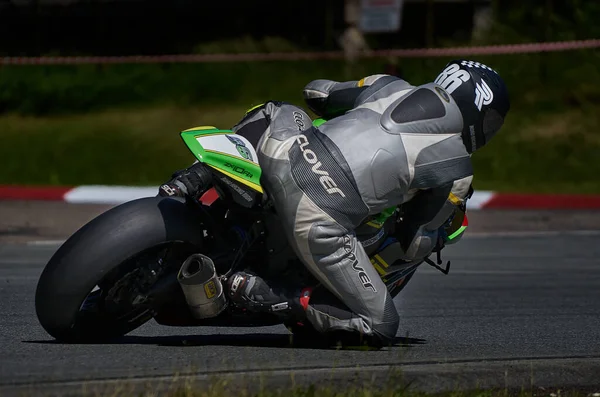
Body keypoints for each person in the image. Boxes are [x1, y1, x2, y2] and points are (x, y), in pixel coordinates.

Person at [159, 59, 510, 348]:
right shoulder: (457, 168)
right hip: (319, 220)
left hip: (282, 154)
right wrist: (430, 235)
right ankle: (247, 287)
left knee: (277, 110)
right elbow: (415, 239)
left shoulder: (389, 85)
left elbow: (317, 91)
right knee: (380, 324)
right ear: (478, 113)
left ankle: (191, 179)